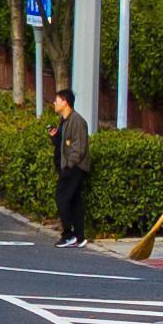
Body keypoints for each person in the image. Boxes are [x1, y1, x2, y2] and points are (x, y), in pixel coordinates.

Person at [47, 93, 94, 245]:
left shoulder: (77, 121)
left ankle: (68, 234)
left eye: (57, 100)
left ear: (65, 102)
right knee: (75, 201)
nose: (54, 103)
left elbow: (78, 148)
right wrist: (55, 137)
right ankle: (80, 236)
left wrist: (69, 166)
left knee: (62, 198)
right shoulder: (64, 121)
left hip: (75, 167)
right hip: (67, 166)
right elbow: (63, 144)